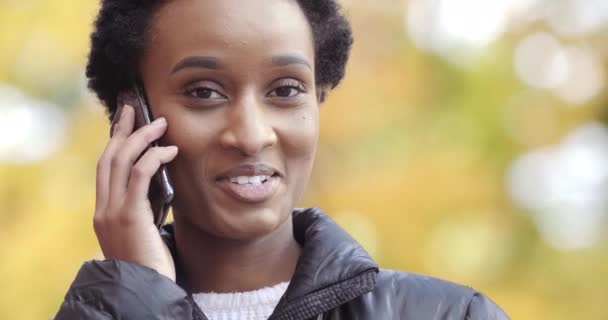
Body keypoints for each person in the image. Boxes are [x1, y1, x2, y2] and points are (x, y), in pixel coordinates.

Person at [54, 0, 510, 319]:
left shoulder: (451, 315)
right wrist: (139, 294)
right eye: (204, 92)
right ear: (132, 115)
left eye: (286, 90)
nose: (252, 136)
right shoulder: (107, 310)